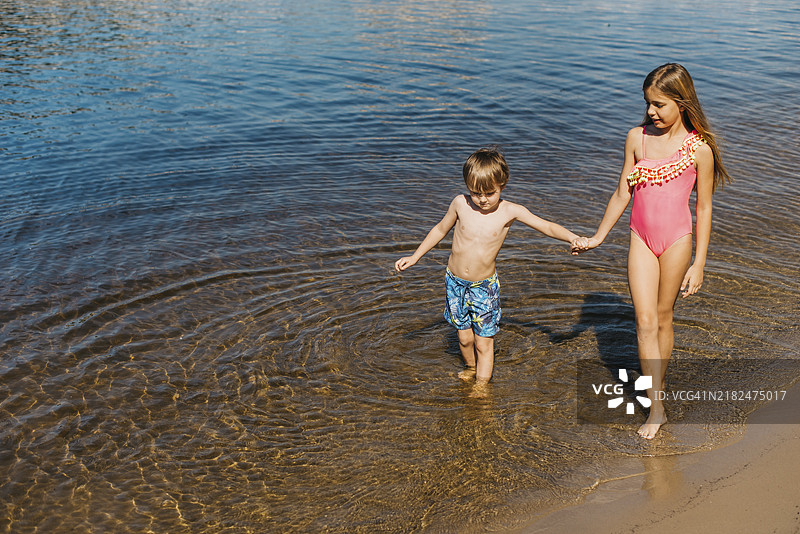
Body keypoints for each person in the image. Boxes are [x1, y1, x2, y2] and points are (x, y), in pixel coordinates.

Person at [573, 63, 731, 439]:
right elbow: (622, 192)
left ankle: (657, 387)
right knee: (643, 323)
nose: (651, 111)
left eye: (659, 104)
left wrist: (700, 263)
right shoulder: (636, 139)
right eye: (648, 103)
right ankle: (656, 409)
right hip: (640, 239)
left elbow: (704, 208)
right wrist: (598, 236)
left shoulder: (699, 150)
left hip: (677, 241)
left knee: (662, 318)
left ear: (682, 102)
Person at [395, 148, 583, 392]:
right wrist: (415, 256)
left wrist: (573, 237)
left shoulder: (509, 211)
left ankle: (482, 385)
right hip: (454, 282)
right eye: (475, 192)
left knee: (484, 342)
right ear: (467, 187)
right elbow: (440, 230)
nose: (482, 199)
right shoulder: (460, 204)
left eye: (489, 193)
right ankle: (472, 368)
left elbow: (545, 226)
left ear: (502, 185)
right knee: (463, 338)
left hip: (483, 287)